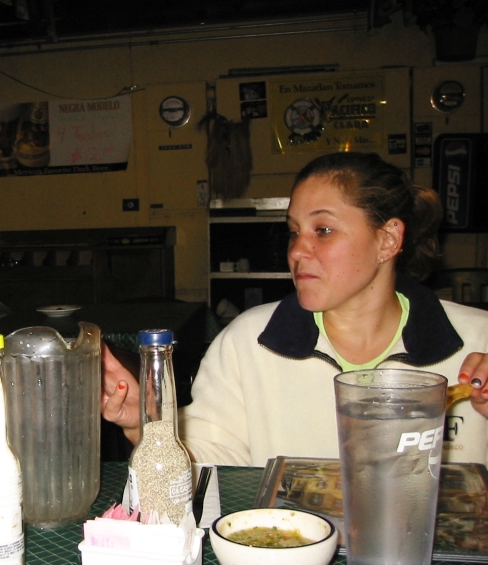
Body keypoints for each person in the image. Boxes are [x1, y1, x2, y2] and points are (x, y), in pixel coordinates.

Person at [102, 151, 488, 466]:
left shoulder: (476, 341)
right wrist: (147, 426)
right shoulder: (248, 343)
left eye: (323, 230)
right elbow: (212, 467)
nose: (297, 251)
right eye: (294, 231)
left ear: (387, 240)